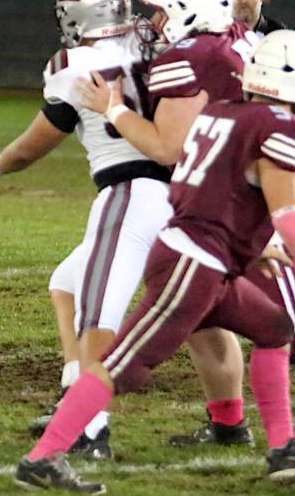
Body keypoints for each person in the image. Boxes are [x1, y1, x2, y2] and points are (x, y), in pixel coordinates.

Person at [15, 30, 295, 492]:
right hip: (193, 264)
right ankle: (44, 457)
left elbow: (195, 189)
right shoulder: (275, 126)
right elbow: (286, 218)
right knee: (120, 367)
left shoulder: (223, 114)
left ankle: (283, 448)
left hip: (202, 256)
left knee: (274, 329)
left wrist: (247, 243)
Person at [0, 0, 171, 460]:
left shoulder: (72, 61)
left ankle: (91, 429)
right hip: (179, 191)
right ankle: (74, 391)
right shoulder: (155, 41)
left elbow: (35, 144)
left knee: (97, 314)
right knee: (67, 283)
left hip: (131, 193)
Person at [77, 0, 263, 448]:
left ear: (187, 10)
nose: (154, 23)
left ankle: (82, 423)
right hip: (256, 187)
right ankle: (229, 425)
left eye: (161, 11)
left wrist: (112, 109)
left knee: (207, 309)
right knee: (209, 311)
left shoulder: (188, 56)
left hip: (241, 205)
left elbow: (168, 147)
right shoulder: (240, 38)